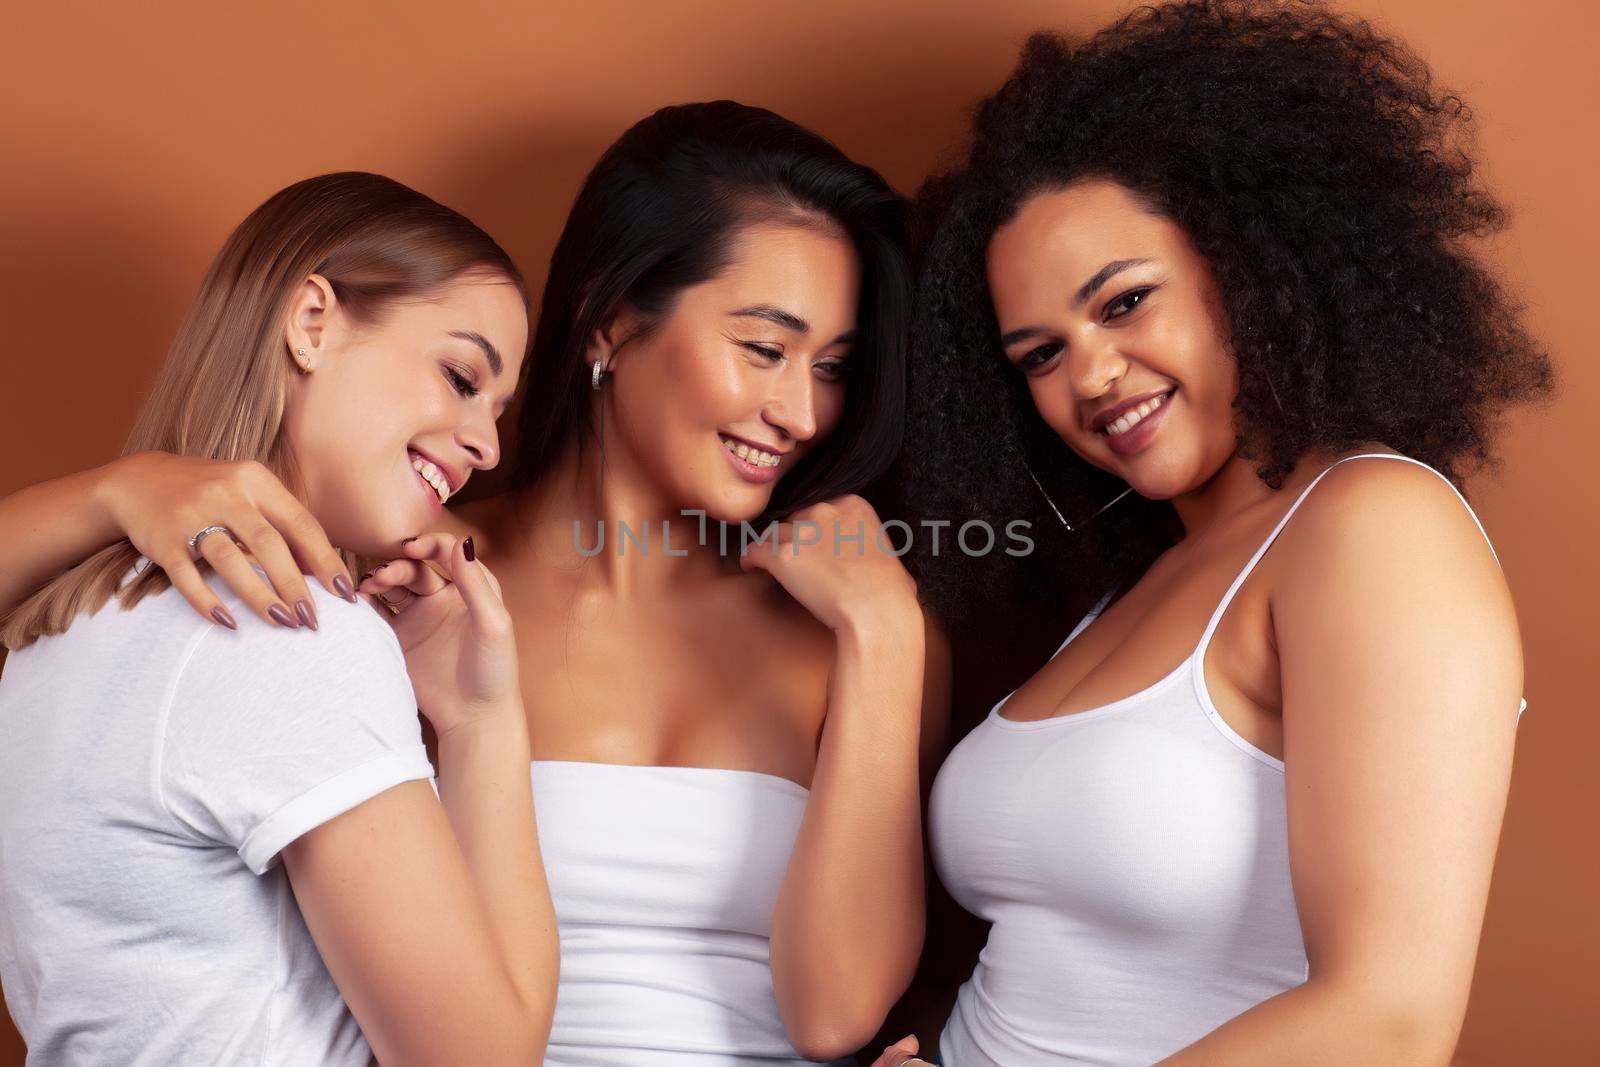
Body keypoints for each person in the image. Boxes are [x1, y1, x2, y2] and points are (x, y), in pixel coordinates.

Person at [0, 103, 949, 1065]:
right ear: (613, 321)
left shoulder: (852, 628)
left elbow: (836, 1015)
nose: (802, 411)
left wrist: (886, 631)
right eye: (764, 348)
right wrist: (120, 489)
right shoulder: (392, 564)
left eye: (832, 367)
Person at [878, 2, 1552, 1063]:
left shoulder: (1371, 526)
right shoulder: (1136, 580)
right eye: (1038, 354)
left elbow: (1388, 1016)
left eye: (1124, 302)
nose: (1089, 375)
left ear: (1248, 268)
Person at [0, 172, 557, 1065]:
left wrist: (114, 489)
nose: (487, 446)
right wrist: (485, 722)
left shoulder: (48, 634)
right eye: (461, 377)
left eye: (498, 411)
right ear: (311, 322)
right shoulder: (294, 632)